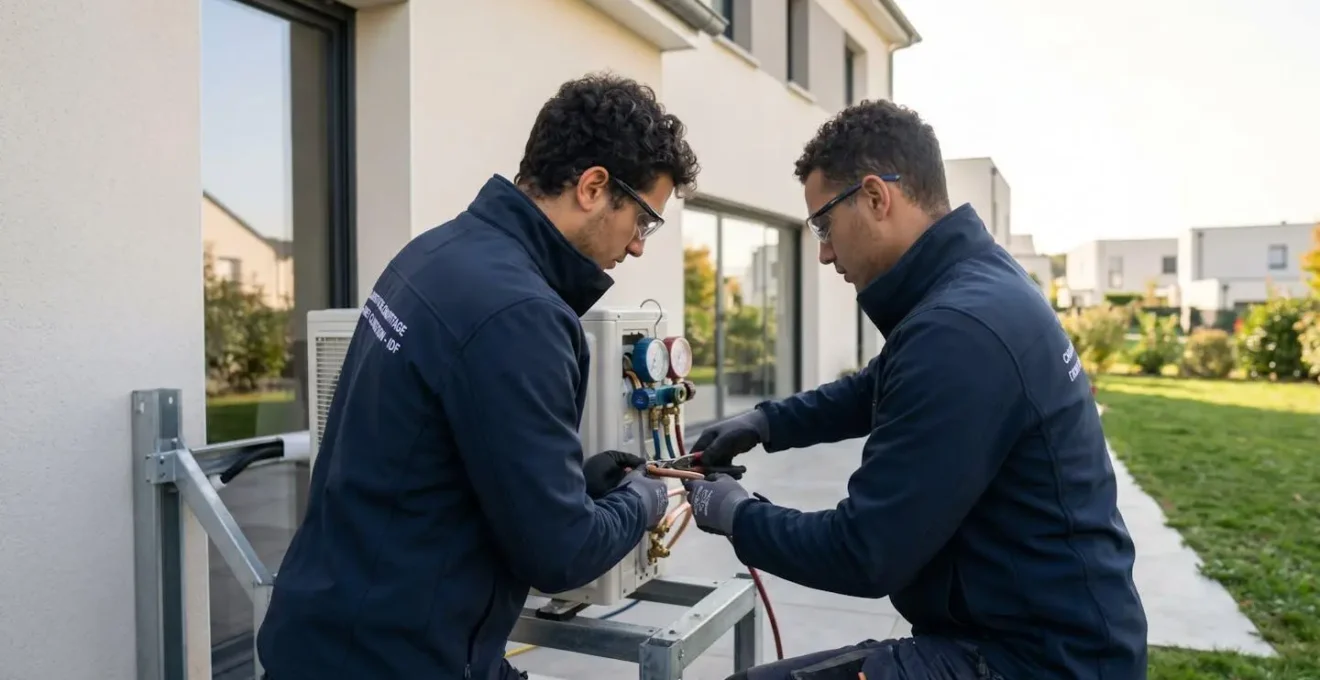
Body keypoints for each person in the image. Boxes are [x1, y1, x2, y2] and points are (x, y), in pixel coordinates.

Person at [682, 100, 1148, 680]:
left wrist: (734, 514)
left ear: (877, 197)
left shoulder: (959, 329)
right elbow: (875, 388)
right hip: (1027, 637)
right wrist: (767, 422)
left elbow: (864, 552)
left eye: (824, 225)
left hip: (1035, 661)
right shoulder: (972, 288)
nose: (824, 252)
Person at [256, 73, 701, 680]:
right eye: (645, 220)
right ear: (595, 186)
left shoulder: (435, 254)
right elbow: (561, 554)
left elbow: (439, 457)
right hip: (394, 658)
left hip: (332, 629)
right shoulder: (522, 314)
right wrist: (645, 499)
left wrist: (577, 484)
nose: (639, 246)